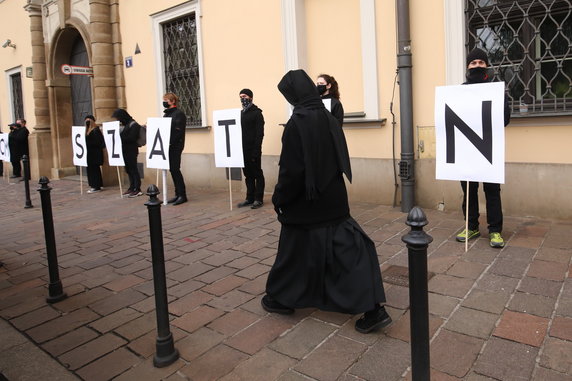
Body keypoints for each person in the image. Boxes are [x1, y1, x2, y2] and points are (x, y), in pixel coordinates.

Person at [262, 69, 392, 334]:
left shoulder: (297, 122)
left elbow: (291, 170)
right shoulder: (329, 117)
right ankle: (372, 308)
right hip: (332, 199)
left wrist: (279, 198)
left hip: (304, 204)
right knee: (345, 253)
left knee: (294, 252)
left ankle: (282, 298)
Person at [455, 48, 511, 248]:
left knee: (492, 190)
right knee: (469, 189)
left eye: (481, 62)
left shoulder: (496, 90)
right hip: (466, 149)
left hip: (489, 148)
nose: (477, 65)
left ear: (486, 66)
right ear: (468, 67)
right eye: (473, 63)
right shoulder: (459, 91)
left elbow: (505, 119)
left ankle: (495, 230)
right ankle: (471, 226)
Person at [237, 88, 265, 209]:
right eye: (240, 97)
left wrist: (256, 151)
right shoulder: (240, 113)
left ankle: (258, 198)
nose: (242, 99)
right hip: (242, 150)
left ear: (250, 97)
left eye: (244, 96)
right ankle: (249, 197)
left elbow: (260, 134)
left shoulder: (257, 113)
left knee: (257, 174)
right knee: (248, 175)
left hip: (253, 150)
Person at [162, 93, 188, 205]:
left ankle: (182, 195)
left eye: (166, 100)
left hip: (176, 145)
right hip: (168, 145)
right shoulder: (167, 115)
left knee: (175, 169)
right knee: (172, 169)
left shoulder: (179, 114)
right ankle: (177, 194)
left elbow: (178, 131)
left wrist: (169, 141)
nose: (164, 102)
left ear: (172, 101)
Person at [111, 108, 142, 197]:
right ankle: (132, 187)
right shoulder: (126, 125)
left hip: (131, 151)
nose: (118, 120)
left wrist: (119, 137)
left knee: (133, 169)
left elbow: (132, 138)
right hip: (125, 151)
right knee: (128, 170)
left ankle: (137, 188)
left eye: (118, 118)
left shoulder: (134, 124)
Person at [84, 115, 105, 193]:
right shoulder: (87, 130)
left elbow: (98, 142)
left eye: (89, 121)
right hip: (90, 154)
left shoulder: (95, 130)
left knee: (94, 170)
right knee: (93, 170)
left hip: (94, 154)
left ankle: (95, 186)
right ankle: (97, 184)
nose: (87, 123)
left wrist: (87, 143)